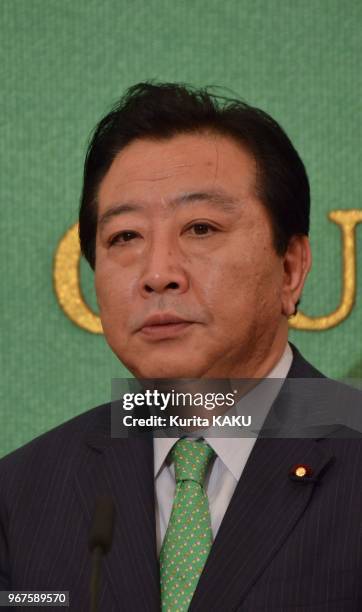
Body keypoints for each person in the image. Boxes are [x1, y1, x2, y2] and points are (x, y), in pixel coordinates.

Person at [0, 82, 361, 611]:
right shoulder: (23, 494)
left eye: (200, 227)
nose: (158, 273)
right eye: (125, 237)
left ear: (290, 268)